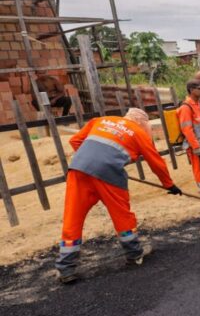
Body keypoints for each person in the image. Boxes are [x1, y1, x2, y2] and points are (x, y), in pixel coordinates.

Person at [55, 108, 182, 284]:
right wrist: (169, 184)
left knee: (73, 217)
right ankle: (134, 254)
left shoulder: (100, 120)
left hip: (79, 169)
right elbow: (156, 162)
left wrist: (94, 160)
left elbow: (75, 140)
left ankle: (65, 269)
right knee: (121, 214)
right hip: (109, 174)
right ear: (142, 123)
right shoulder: (138, 132)